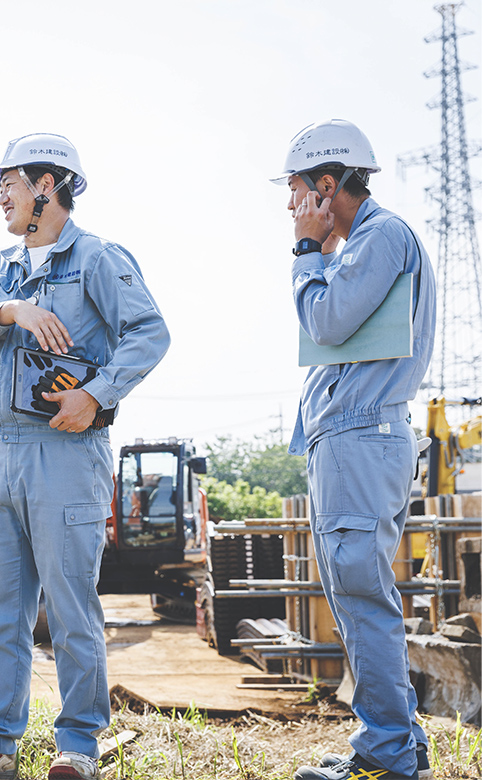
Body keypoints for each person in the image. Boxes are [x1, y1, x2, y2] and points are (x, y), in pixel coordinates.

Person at [0, 133, 170, 780]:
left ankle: (79, 746)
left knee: (71, 609)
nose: (1, 197)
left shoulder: (98, 258)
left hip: (67, 453)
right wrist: (11, 310)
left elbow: (149, 333)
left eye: (8, 183)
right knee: (1, 613)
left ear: (47, 184)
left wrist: (94, 395)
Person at [275, 119, 435, 780]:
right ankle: (399, 743)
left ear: (327, 185)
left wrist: (305, 252)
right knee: (357, 595)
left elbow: (325, 320)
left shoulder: (380, 237)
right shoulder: (364, 247)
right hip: (349, 444)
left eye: (295, 192)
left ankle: (389, 752)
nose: (290, 209)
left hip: (361, 443)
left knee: (362, 597)